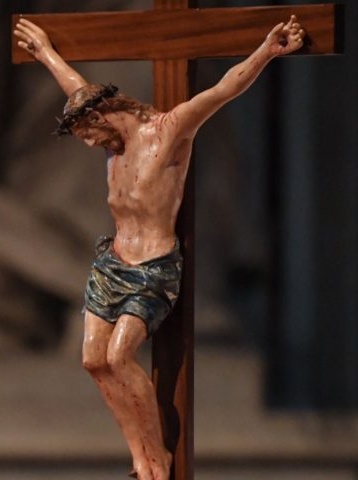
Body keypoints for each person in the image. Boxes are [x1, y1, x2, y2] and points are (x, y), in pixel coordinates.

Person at [15, 15, 305, 480]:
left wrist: (267, 51)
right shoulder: (111, 141)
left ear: (101, 117)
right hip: (113, 264)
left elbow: (222, 90)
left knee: (119, 357)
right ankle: (137, 452)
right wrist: (46, 51)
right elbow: (76, 85)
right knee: (92, 360)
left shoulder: (168, 132)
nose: (88, 143)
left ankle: (156, 458)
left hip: (152, 268)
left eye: (86, 132)